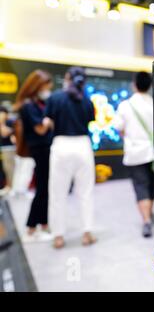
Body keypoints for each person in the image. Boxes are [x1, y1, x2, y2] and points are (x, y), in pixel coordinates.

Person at [45, 67, 97, 249]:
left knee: (58, 193)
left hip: (61, 145)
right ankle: (87, 233)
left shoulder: (55, 98)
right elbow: (89, 121)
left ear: (67, 78)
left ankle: (58, 236)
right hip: (83, 146)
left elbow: (48, 123)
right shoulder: (87, 101)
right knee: (85, 192)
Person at [14, 70, 54, 241]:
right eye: (46, 86)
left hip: (44, 149)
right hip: (40, 150)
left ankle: (42, 224)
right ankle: (31, 227)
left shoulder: (36, 104)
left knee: (44, 189)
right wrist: (48, 121)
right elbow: (40, 128)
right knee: (42, 189)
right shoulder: (28, 106)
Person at [114, 72, 154, 238]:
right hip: (153, 153)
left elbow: (119, 128)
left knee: (141, 186)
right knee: (151, 186)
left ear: (134, 84)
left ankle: (146, 220)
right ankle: (150, 214)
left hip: (135, 153)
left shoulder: (126, 105)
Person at [0, 105, 16, 196]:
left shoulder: (9, 121)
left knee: (10, 168)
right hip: (4, 148)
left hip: (10, 148)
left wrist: (1, 123)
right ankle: (9, 186)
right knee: (6, 168)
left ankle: (12, 187)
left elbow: (5, 133)